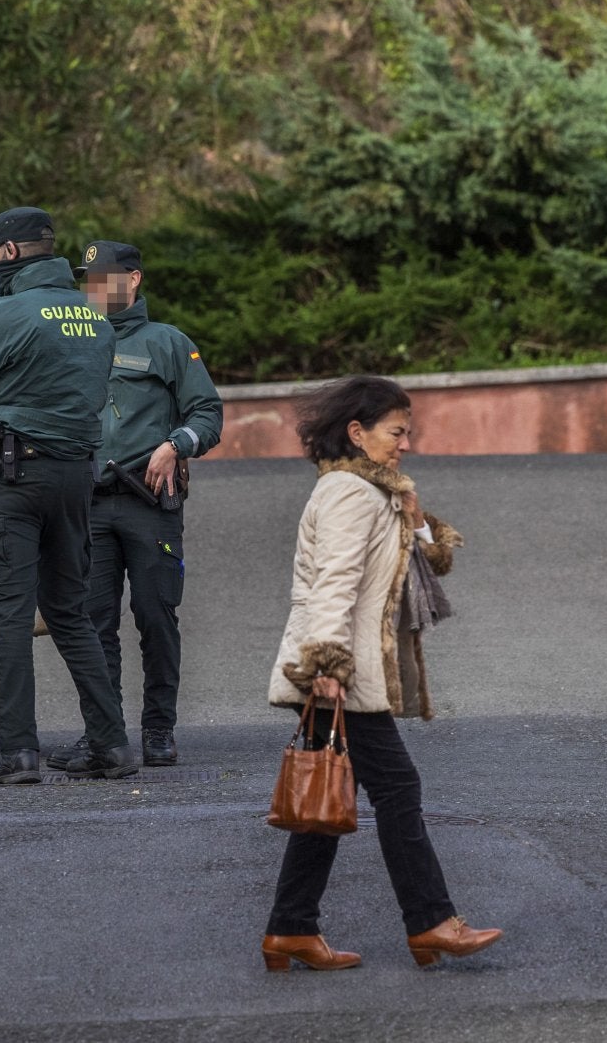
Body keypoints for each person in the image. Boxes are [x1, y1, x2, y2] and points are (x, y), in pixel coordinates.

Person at [261, 376, 500, 972]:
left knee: (326, 799)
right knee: (397, 789)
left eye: (407, 431)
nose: (406, 444)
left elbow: (426, 563)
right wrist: (326, 666)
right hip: (337, 668)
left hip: (341, 666)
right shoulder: (349, 493)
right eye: (397, 432)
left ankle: (291, 930)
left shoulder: (379, 493)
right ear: (357, 432)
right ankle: (431, 922)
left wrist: (417, 519)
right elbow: (332, 584)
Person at [0, 207, 137, 783]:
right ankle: (112, 745)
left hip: (17, 480)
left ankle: (18, 752)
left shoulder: (8, 312)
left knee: (10, 617)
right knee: (72, 616)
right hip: (77, 478)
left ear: (7, 253)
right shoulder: (94, 316)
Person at [43, 240, 223, 771]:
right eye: (86, 280)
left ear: (133, 280)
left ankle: (159, 729)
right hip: (88, 505)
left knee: (155, 615)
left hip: (149, 504)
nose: (91, 289)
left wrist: (176, 445)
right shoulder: (70, 345)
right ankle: (104, 733)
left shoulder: (167, 343)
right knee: (92, 623)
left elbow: (207, 413)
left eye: (101, 279)